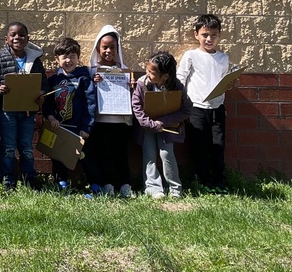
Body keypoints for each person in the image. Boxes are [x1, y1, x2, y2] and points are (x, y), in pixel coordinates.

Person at [0, 21, 45, 190]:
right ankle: (7, 178)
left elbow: (44, 84)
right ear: (6, 39)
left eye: (21, 34)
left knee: (26, 147)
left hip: (27, 112)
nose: (17, 37)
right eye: (13, 35)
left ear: (28, 39)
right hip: (7, 111)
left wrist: (41, 95)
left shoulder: (35, 61)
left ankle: (29, 178)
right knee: (8, 147)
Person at [176, 13, 231, 190]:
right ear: (196, 35)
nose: (209, 39)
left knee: (218, 145)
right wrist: (181, 103)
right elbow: (180, 78)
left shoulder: (223, 58)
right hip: (197, 108)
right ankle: (204, 181)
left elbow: (224, 82)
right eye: (205, 35)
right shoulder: (191, 55)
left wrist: (231, 84)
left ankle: (219, 181)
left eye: (213, 35)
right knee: (200, 146)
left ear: (219, 35)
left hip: (217, 108)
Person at [132, 51, 192, 198]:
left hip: (167, 127)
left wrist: (163, 122)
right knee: (149, 154)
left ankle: (175, 188)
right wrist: (150, 124)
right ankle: (153, 188)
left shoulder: (176, 86)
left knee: (166, 154)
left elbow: (187, 109)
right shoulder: (142, 84)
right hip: (148, 128)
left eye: (151, 72)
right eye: (147, 70)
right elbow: (137, 107)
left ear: (165, 77)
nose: (147, 74)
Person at [41, 37, 96, 193]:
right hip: (60, 128)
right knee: (58, 157)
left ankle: (94, 183)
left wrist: (87, 127)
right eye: (64, 57)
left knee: (85, 157)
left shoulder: (84, 78)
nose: (68, 60)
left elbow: (90, 104)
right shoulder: (53, 80)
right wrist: (51, 117)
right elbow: (48, 103)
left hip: (79, 129)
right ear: (56, 59)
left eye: (72, 56)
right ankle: (61, 182)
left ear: (78, 58)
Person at [84, 24, 134, 198]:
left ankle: (125, 184)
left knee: (121, 153)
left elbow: (133, 95)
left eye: (112, 47)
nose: (108, 51)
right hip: (101, 120)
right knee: (103, 154)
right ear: (98, 48)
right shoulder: (92, 71)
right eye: (105, 47)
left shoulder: (124, 70)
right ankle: (108, 184)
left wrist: (130, 86)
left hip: (120, 121)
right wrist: (93, 81)